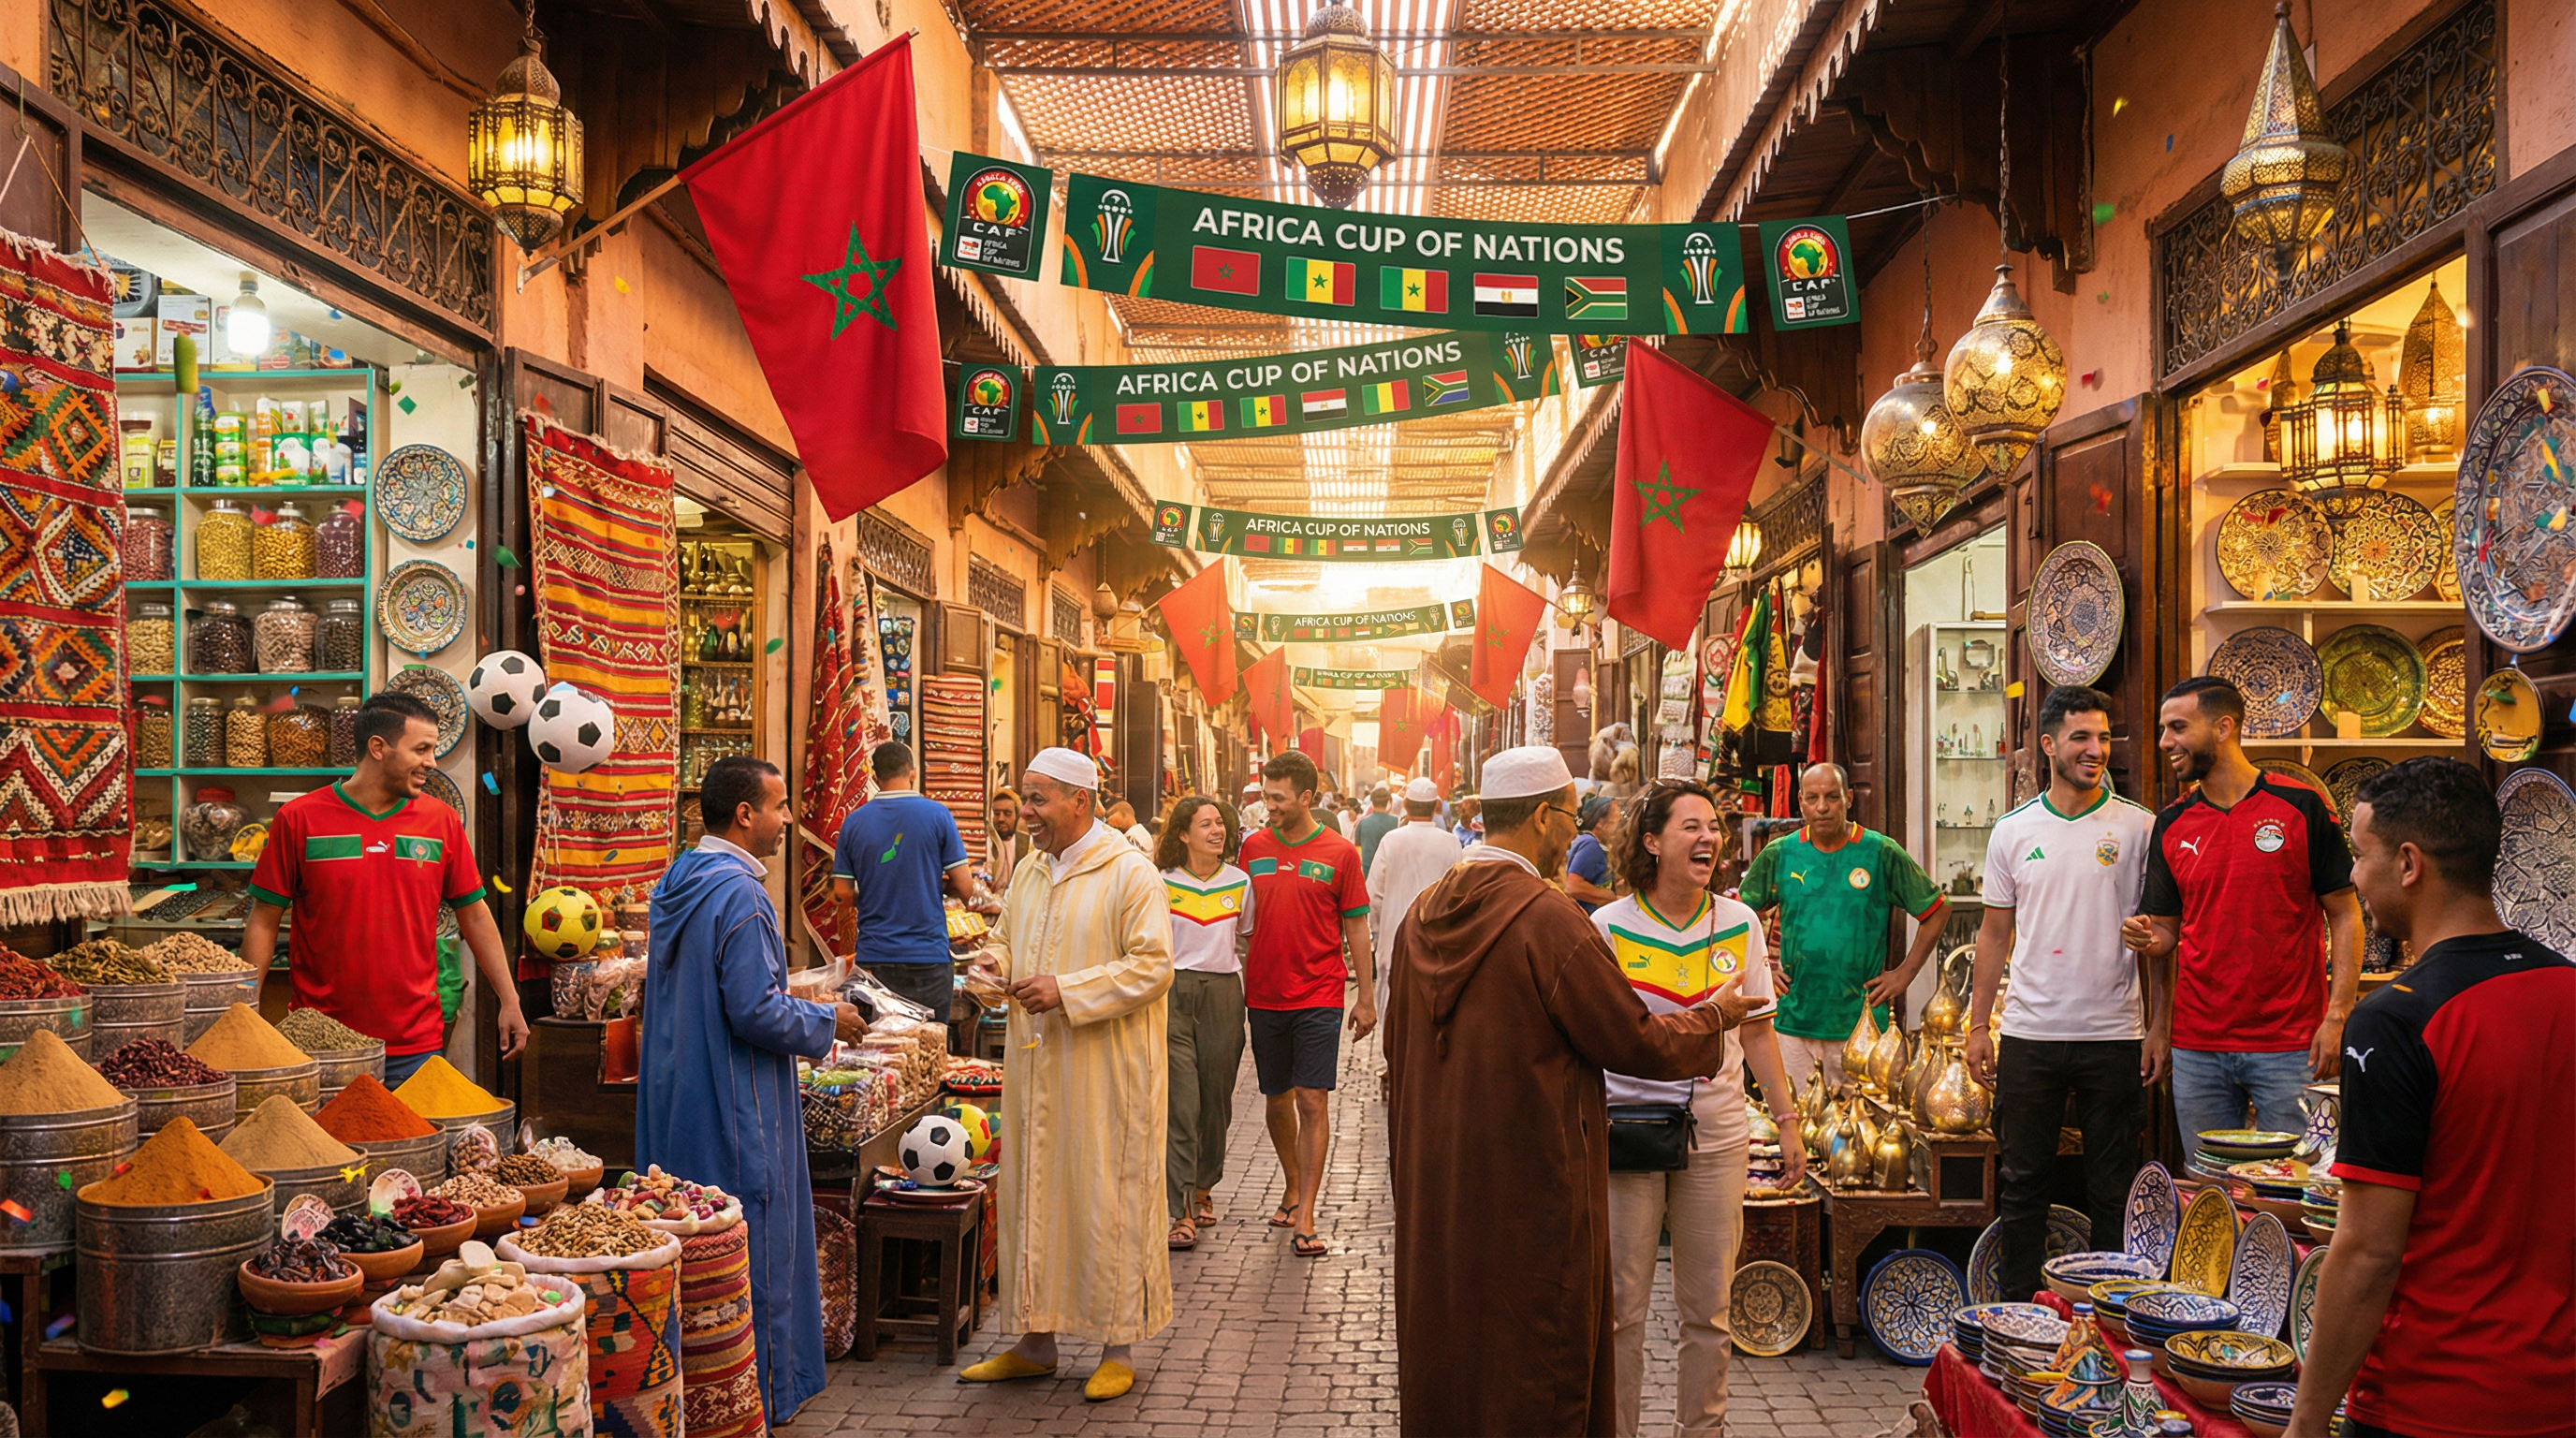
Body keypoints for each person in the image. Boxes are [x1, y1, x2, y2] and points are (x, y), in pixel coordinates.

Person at [1386, 746, 1764, 1437]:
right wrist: (1715, 1016)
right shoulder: (1547, 919)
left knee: (1456, 1335)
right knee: (1537, 1350)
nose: (1576, 833)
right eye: (1568, 816)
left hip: (1440, 1179)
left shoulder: (1421, 913)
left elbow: (1396, 1048)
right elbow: (1634, 1040)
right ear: (1540, 816)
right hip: (1534, 1180)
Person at [2282, 758, 2574, 1438]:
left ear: (2408, 864)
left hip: (2434, 1396)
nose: (2353, 876)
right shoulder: (2567, 986)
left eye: (2361, 854)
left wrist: (2305, 1420)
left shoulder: (2395, 1019)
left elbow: (2368, 1252)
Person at [637, 756, 870, 1424]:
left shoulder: (680, 878)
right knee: (750, 1246)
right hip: (737, 1102)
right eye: (780, 806)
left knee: (695, 1251)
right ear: (746, 815)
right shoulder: (740, 893)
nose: (790, 820)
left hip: (680, 1091)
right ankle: (758, 1397)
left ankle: (701, 1400)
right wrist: (831, 1018)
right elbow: (755, 1011)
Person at [959, 748, 1175, 1402]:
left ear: (1080, 801)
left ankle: (1119, 1344)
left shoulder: (1130, 874)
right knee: (1034, 1196)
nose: (1025, 813)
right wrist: (994, 968)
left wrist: (1068, 990)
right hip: (1037, 1065)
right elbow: (1011, 941)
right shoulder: (1029, 870)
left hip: (1109, 1072)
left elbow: (1154, 966)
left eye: (1038, 799)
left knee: (1109, 1198)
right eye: (1024, 798)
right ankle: (1035, 1342)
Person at [1598, 778, 1803, 1438]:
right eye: (1692, 826)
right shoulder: (1607, 928)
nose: (1709, 838)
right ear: (1651, 841)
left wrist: (1789, 1122)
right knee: (1623, 1307)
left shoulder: (1739, 922)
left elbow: (1758, 1031)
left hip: (1717, 1133)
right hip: (1627, 1132)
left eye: (1713, 827)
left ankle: (1702, 1430)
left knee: (1709, 1309)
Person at [1967, 686, 2163, 1305]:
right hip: (2030, 1031)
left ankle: (2109, 1320)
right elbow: (1993, 934)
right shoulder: (2013, 831)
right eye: (2081, 738)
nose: (2096, 750)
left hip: (2115, 1034)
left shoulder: (2139, 827)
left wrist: (2160, 1027)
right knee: (2023, 1183)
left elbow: (2163, 938)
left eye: (2103, 738)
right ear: (2048, 745)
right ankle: (2018, 1313)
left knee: (2112, 1187)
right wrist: (1978, 1028)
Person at [2122, 676, 2362, 1141]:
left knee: (2294, 1186)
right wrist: (2146, 942)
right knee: (2211, 1195)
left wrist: (2338, 1016)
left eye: (2177, 728)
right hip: (2197, 1048)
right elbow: (2166, 935)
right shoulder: (2171, 823)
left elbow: (2347, 913)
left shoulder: (2303, 807)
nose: (2166, 742)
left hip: (2292, 1046)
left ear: (2223, 728)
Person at [243, 692, 527, 1085]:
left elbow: (476, 915)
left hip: (415, 1046)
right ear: (378, 747)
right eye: (422, 749)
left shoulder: (441, 822)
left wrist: (509, 1000)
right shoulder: (299, 819)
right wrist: (245, 1011)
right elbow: (263, 919)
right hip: (321, 1044)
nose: (432, 762)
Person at [1736, 763, 1949, 1091]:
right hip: (1793, 1022)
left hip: (1862, 1025)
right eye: (1813, 798)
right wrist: (1762, 968)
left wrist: (1905, 974)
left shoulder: (1879, 852)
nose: (1822, 807)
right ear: (1801, 801)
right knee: (1797, 1127)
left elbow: (1937, 910)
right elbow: (1737, 917)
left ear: (1849, 798)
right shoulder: (1781, 853)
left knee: (1866, 1132)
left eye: (1832, 797)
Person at [1239, 749, 1374, 1257]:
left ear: (1306, 798)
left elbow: (1356, 925)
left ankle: (1308, 1215)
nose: (1267, 805)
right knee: (1276, 1097)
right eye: (1265, 796)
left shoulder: (1341, 853)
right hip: (1264, 994)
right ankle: (1293, 1184)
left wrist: (1367, 994)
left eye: (1276, 798)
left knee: (1311, 1099)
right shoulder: (1251, 848)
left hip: (1320, 992)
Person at [1156, 796, 1251, 1251]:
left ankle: (1204, 1185)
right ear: (1182, 833)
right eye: (1206, 824)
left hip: (1223, 996)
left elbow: (1244, 939)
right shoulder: (1160, 884)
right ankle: (1181, 1211)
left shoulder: (1240, 882)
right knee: (1182, 1101)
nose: (1218, 831)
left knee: (1216, 1099)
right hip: (1173, 994)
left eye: (1221, 823)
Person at [831, 741, 983, 1019]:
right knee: (929, 1048)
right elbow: (965, 888)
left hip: (876, 957)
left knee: (881, 1050)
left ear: (875, 778)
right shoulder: (937, 815)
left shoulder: (853, 823)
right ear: (912, 773)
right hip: (928, 958)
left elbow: (841, 894)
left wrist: (876, 890)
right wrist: (935, 884)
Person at [1366, 777, 1462, 1022]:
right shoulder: (1451, 843)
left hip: (1393, 938)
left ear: (1406, 805)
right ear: (1435, 807)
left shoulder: (1392, 840)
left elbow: (1373, 896)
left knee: (1392, 1017)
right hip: (1437, 945)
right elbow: (1458, 896)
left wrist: (1379, 932)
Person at [1565, 793, 1620, 913]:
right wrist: (1610, 897)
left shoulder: (1586, 840)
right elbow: (1573, 886)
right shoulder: (1590, 845)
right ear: (1600, 822)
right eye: (1615, 818)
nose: (1619, 822)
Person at [988, 786, 1030, 892]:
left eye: (1007, 814)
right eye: (997, 814)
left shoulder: (1030, 845)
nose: (1001, 819)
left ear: (1017, 816)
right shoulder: (986, 845)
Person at [1355, 784, 1399, 878]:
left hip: (1368, 867)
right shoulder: (1396, 822)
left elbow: (1357, 846)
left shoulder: (1363, 823)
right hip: (1390, 867)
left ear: (1371, 802)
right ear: (1388, 802)